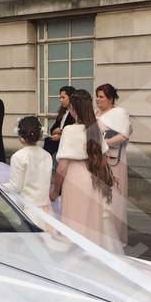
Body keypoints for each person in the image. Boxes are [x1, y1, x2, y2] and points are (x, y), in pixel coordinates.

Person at [50, 89, 114, 248]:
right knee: (92, 223)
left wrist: (55, 190)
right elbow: (104, 160)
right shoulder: (95, 129)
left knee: (74, 223)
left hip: (75, 181)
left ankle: (76, 259)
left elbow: (62, 166)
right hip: (94, 180)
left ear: (72, 109)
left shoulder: (70, 131)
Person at [96, 83, 132, 246]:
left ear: (110, 99)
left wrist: (105, 142)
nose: (98, 99)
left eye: (101, 96)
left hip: (114, 160)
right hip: (98, 160)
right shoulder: (96, 113)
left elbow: (124, 134)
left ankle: (115, 236)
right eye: (97, 96)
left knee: (114, 196)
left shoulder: (119, 113)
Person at [3, 116, 53, 213]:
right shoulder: (47, 156)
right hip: (46, 209)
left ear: (20, 135)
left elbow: (15, 187)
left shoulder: (18, 157)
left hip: (27, 209)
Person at [43, 86, 75, 157]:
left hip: (67, 147)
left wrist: (61, 137)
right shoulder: (62, 111)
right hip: (56, 144)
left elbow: (75, 133)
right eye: (60, 97)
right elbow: (52, 129)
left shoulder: (75, 113)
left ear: (71, 98)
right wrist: (55, 131)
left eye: (63, 97)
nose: (60, 100)